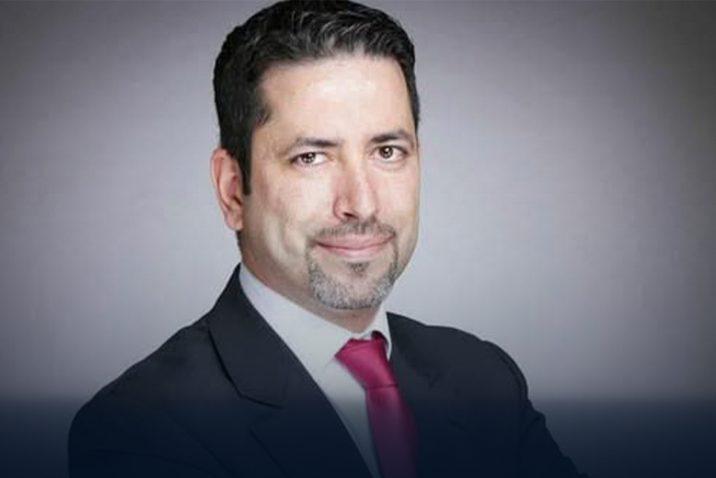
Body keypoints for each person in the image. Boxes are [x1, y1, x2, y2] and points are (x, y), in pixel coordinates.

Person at [69, 1, 586, 477]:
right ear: (232, 190)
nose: (361, 203)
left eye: (387, 152)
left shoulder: (482, 378)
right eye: (311, 157)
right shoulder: (142, 428)